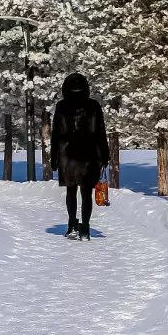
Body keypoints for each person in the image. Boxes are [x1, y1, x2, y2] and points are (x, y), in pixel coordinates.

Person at [50, 73, 110, 241]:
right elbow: (100, 133)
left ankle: (72, 226)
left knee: (71, 191)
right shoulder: (93, 106)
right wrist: (105, 157)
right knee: (86, 193)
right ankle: (85, 228)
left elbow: (56, 134)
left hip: (67, 155)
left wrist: (53, 158)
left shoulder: (62, 106)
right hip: (89, 155)